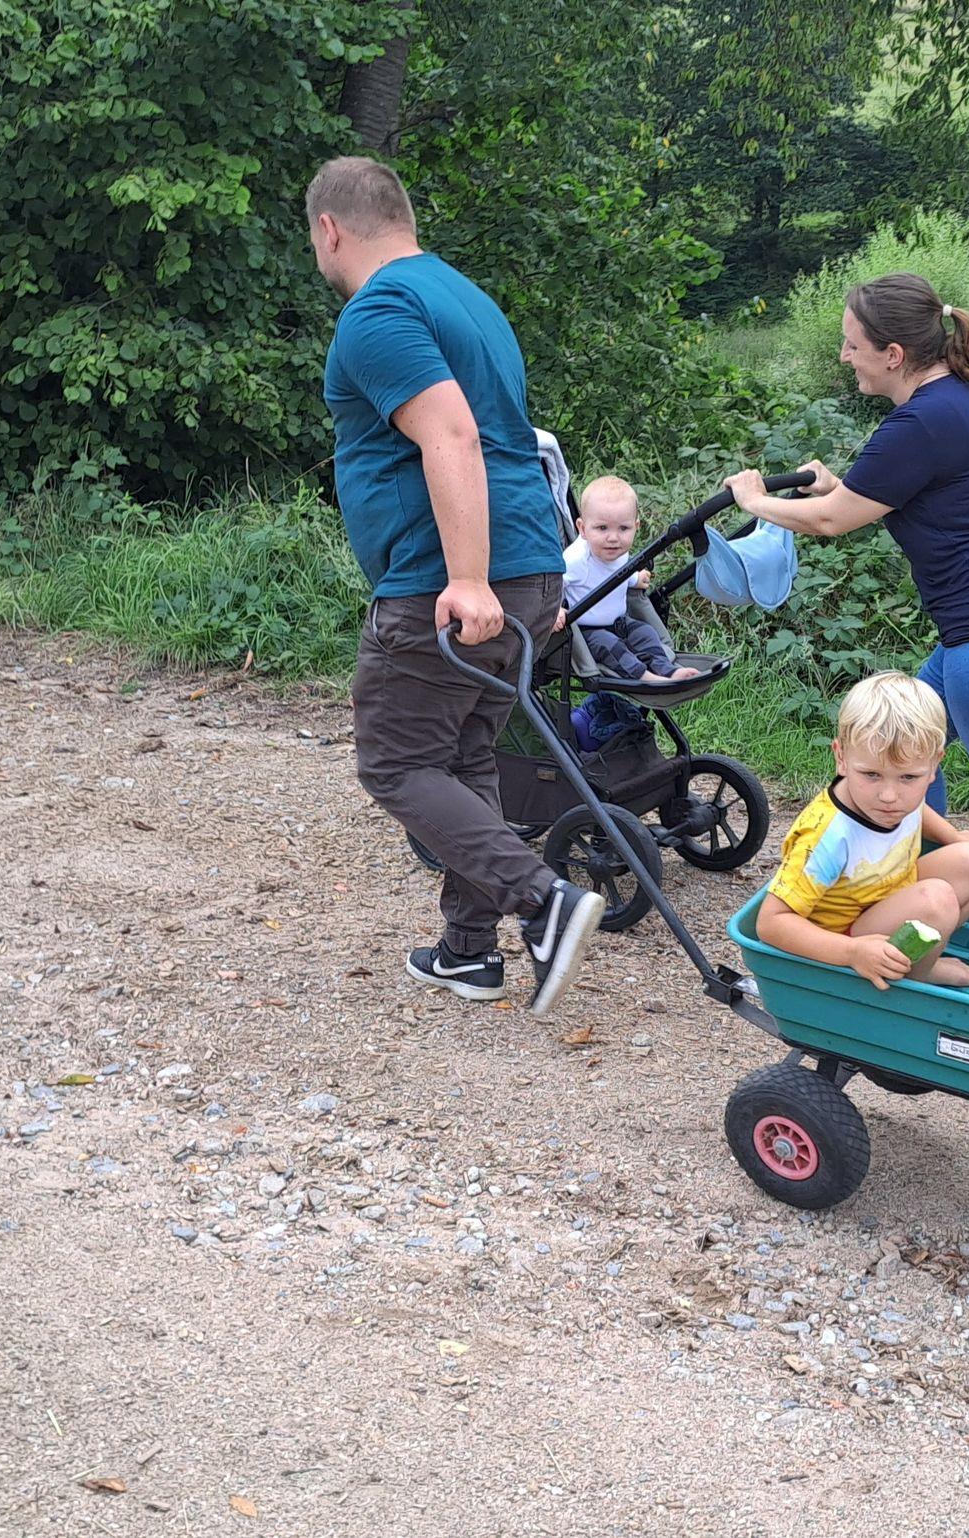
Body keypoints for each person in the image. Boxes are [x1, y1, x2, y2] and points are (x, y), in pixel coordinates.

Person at [307, 155, 604, 1016]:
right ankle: (468, 952)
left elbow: (453, 435)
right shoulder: (467, 299)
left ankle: (544, 903)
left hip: (449, 578)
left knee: (397, 763)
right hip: (531, 565)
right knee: (468, 755)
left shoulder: (378, 310)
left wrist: (467, 577)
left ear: (330, 229)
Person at [722, 272, 969, 879]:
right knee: (906, 746)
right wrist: (838, 486)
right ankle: (925, 884)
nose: (844, 355)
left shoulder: (918, 423)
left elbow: (829, 520)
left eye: (853, 344)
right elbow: (905, 494)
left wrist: (754, 502)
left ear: (893, 355)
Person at [756, 672, 969, 990]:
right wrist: (851, 952)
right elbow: (770, 923)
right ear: (841, 757)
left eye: (908, 777)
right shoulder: (828, 836)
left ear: (934, 765)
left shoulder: (899, 793)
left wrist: (953, 837)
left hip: (886, 898)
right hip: (844, 938)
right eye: (871, 775)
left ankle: (919, 962)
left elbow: (917, 809)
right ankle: (914, 979)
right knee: (936, 901)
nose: (889, 796)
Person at [557, 476, 700, 682]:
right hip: (587, 632)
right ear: (582, 528)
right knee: (611, 647)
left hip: (620, 623)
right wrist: (555, 610)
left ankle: (668, 670)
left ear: (636, 526)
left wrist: (634, 579)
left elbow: (617, 572)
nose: (613, 538)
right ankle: (648, 678)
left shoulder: (619, 552)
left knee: (646, 633)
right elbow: (553, 585)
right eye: (602, 528)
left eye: (623, 528)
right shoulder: (575, 560)